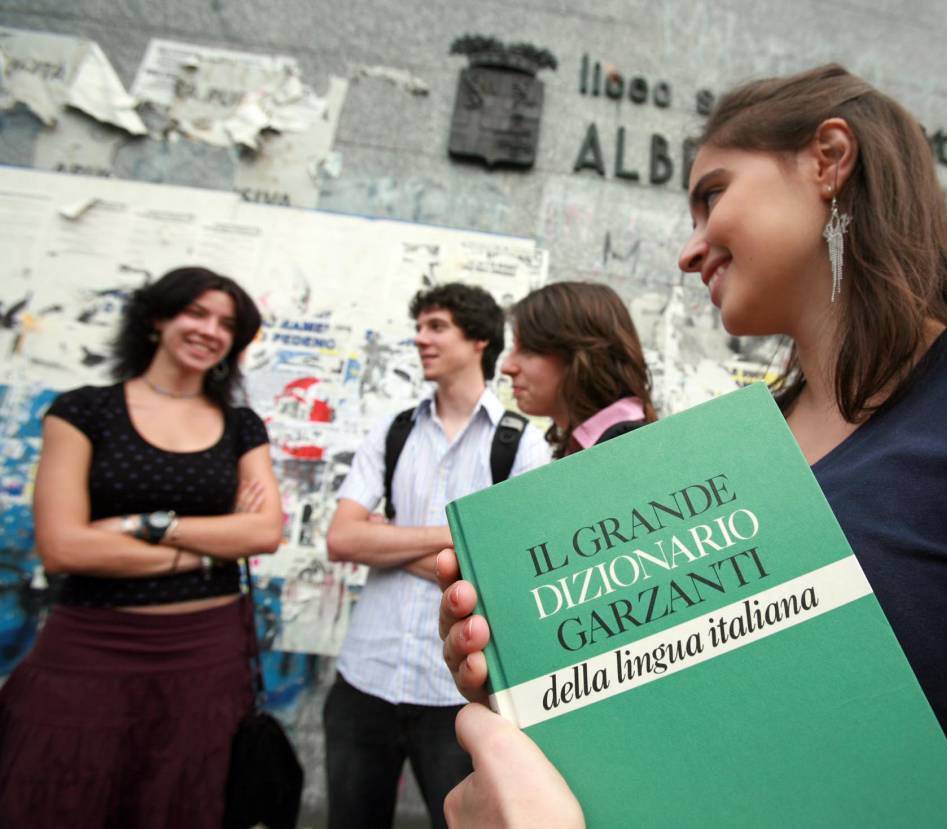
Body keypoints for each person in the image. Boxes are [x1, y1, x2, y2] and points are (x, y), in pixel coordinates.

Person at [436, 63, 947, 828]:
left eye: (712, 196)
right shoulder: (736, 447)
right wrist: (540, 681)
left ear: (829, 158)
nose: (689, 249)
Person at [0, 266, 284, 829]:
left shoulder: (240, 426)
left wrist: (140, 525)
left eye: (227, 324)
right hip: (93, 643)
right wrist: (209, 547)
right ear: (158, 318)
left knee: (180, 800)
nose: (210, 330)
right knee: (59, 791)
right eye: (196, 313)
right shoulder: (83, 411)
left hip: (207, 649)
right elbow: (62, 547)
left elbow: (262, 533)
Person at [322, 283, 551, 829]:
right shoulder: (395, 430)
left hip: (456, 699)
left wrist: (389, 541)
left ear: (478, 340)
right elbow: (342, 540)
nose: (420, 338)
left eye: (436, 326)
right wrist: (456, 537)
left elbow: (507, 575)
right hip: (363, 681)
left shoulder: (522, 444)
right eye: (419, 326)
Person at [502, 281, 657, 458]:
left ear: (581, 354)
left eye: (529, 349)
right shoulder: (596, 446)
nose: (507, 367)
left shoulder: (629, 451)